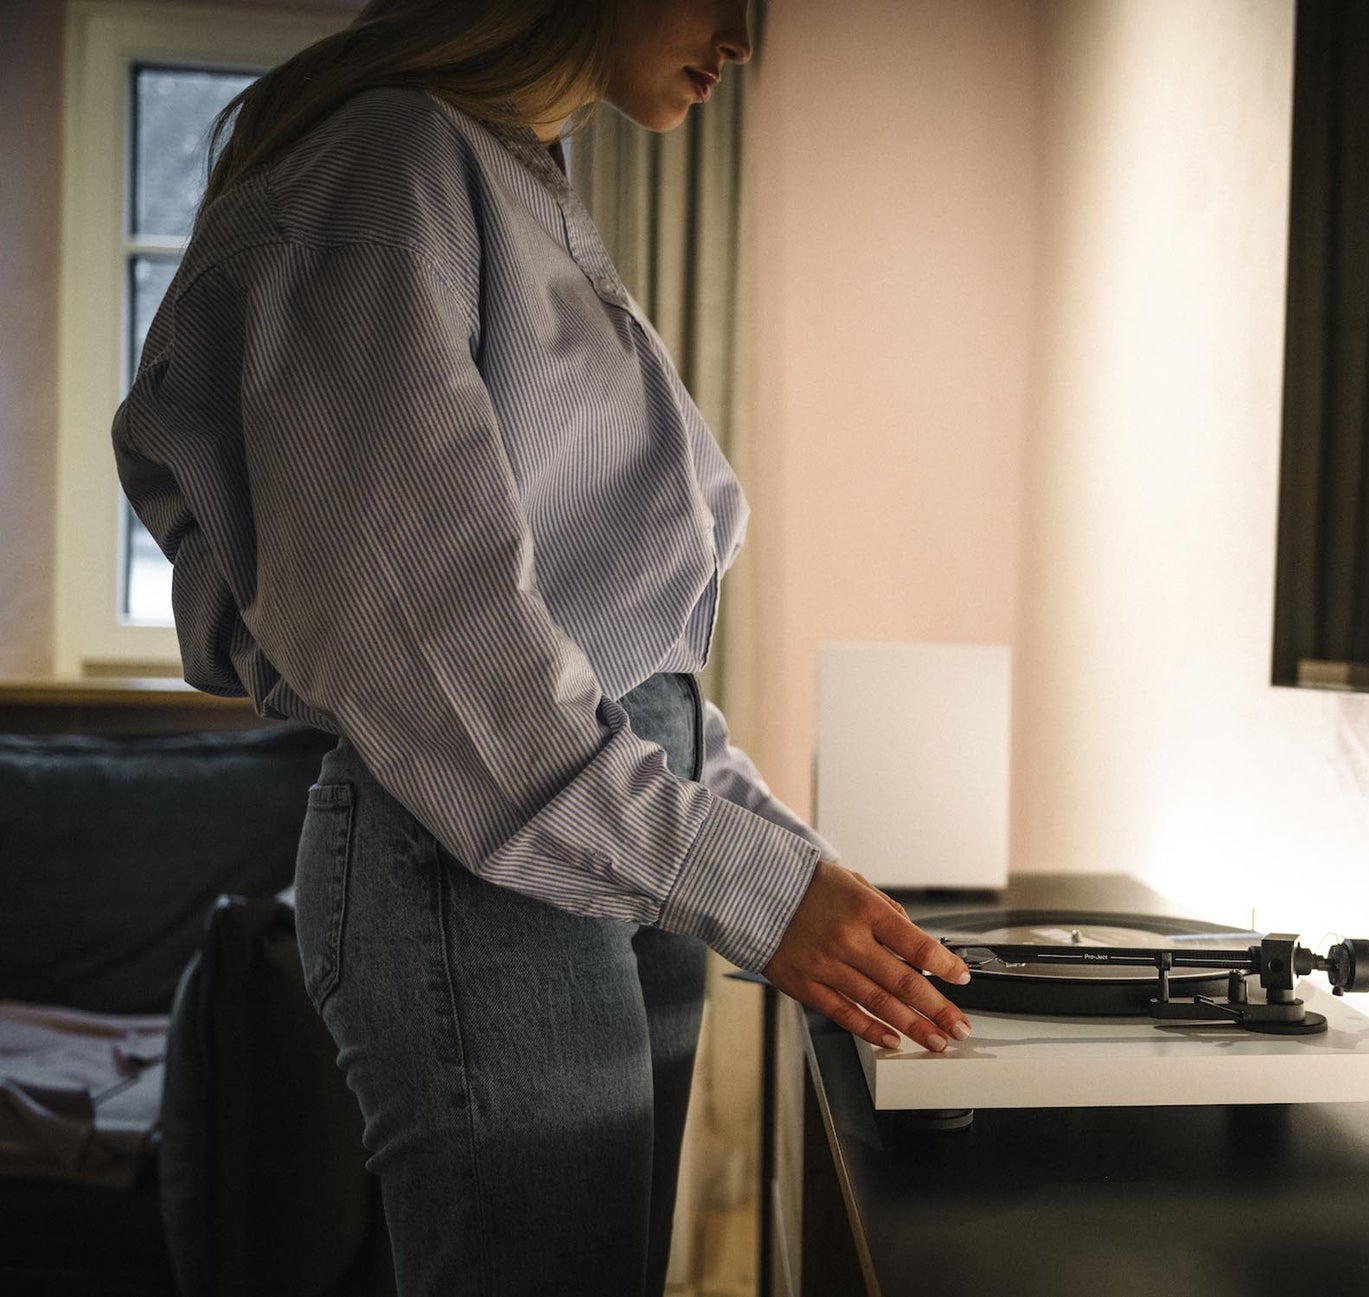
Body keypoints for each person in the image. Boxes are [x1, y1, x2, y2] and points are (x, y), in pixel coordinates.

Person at [109, 1, 973, 1291]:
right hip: (477, 860)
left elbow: (620, 652)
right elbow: (437, 638)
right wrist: (751, 884)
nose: (744, 39)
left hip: (602, 849)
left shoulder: (515, 176)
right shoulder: (390, 161)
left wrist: (790, 866)